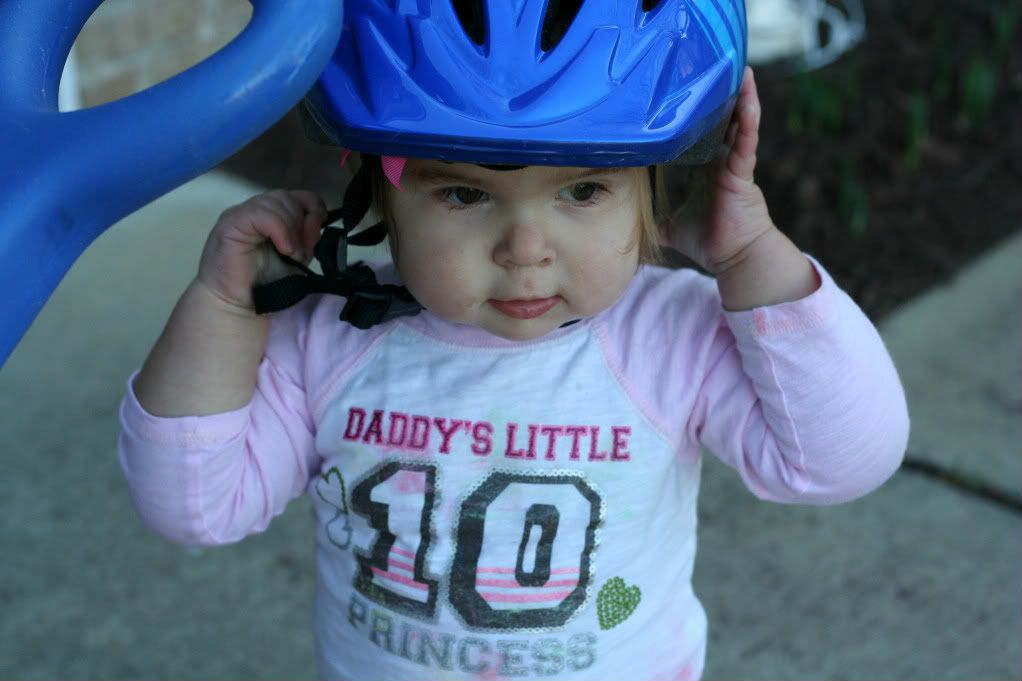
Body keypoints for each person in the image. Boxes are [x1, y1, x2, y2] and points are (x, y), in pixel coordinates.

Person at [118, 3, 908, 679]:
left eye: (583, 190)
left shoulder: (671, 336)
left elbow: (840, 458)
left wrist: (749, 257)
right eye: (464, 192)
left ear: (653, 188)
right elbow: (195, 504)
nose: (525, 247)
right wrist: (224, 307)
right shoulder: (329, 338)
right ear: (379, 196)